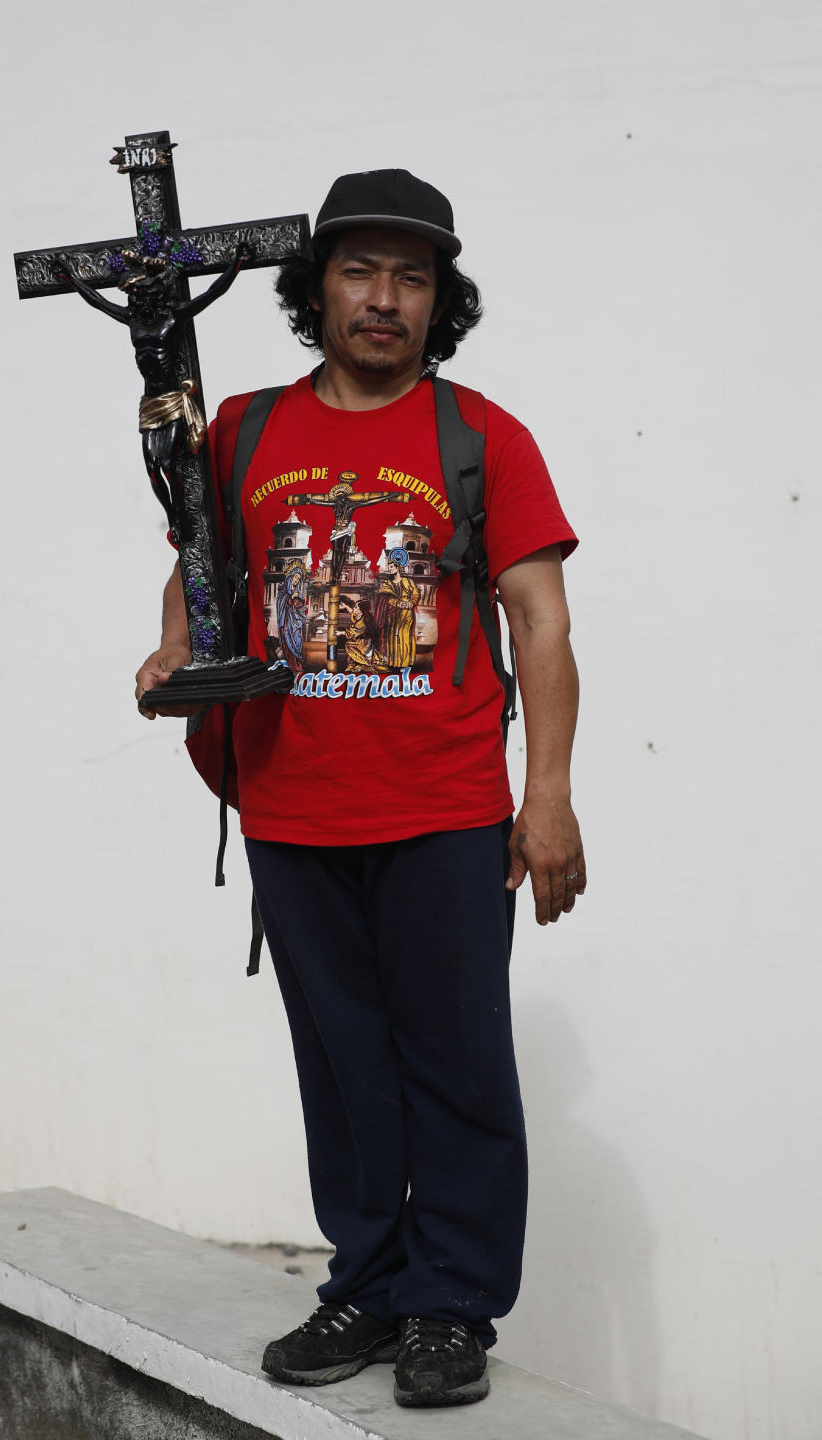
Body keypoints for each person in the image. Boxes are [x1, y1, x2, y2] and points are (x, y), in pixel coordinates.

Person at [135, 169, 586, 1409]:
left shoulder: (481, 435)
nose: (385, 299)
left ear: (441, 300)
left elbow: (540, 620)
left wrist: (544, 795)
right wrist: (176, 645)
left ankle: (451, 1307)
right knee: (340, 1064)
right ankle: (372, 1283)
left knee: (457, 1063)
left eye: (413, 277)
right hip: (290, 804)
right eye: (358, 271)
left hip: (444, 807)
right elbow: (201, 568)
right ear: (314, 287)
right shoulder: (244, 431)